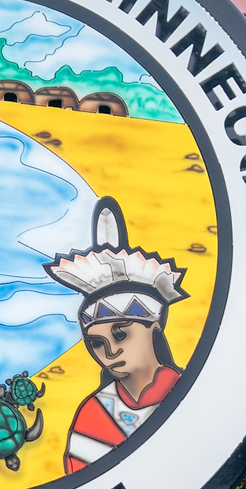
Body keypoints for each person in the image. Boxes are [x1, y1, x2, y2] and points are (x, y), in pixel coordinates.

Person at [44, 196, 188, 473]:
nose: (109, 353)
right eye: (97, 344)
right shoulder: (93, 412)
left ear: (154, 327)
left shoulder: (187, 392)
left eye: (121, 335)